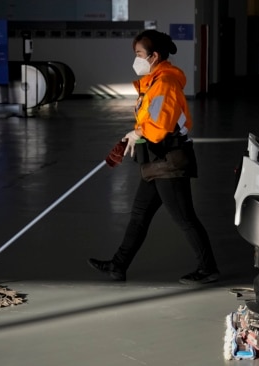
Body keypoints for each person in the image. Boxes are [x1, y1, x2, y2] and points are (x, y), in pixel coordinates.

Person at [88, 30, 220, 285]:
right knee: (139, 214)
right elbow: (152, 120)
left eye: (138, 54)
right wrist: (134, 135)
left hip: (169, 162)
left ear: (154, 56)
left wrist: (136, 132)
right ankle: (118, 265)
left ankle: (208, 268)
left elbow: (158, 127)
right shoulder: (154, 83)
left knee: (184, 218)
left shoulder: (164, 85)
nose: (135, 59)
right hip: (155, 161)